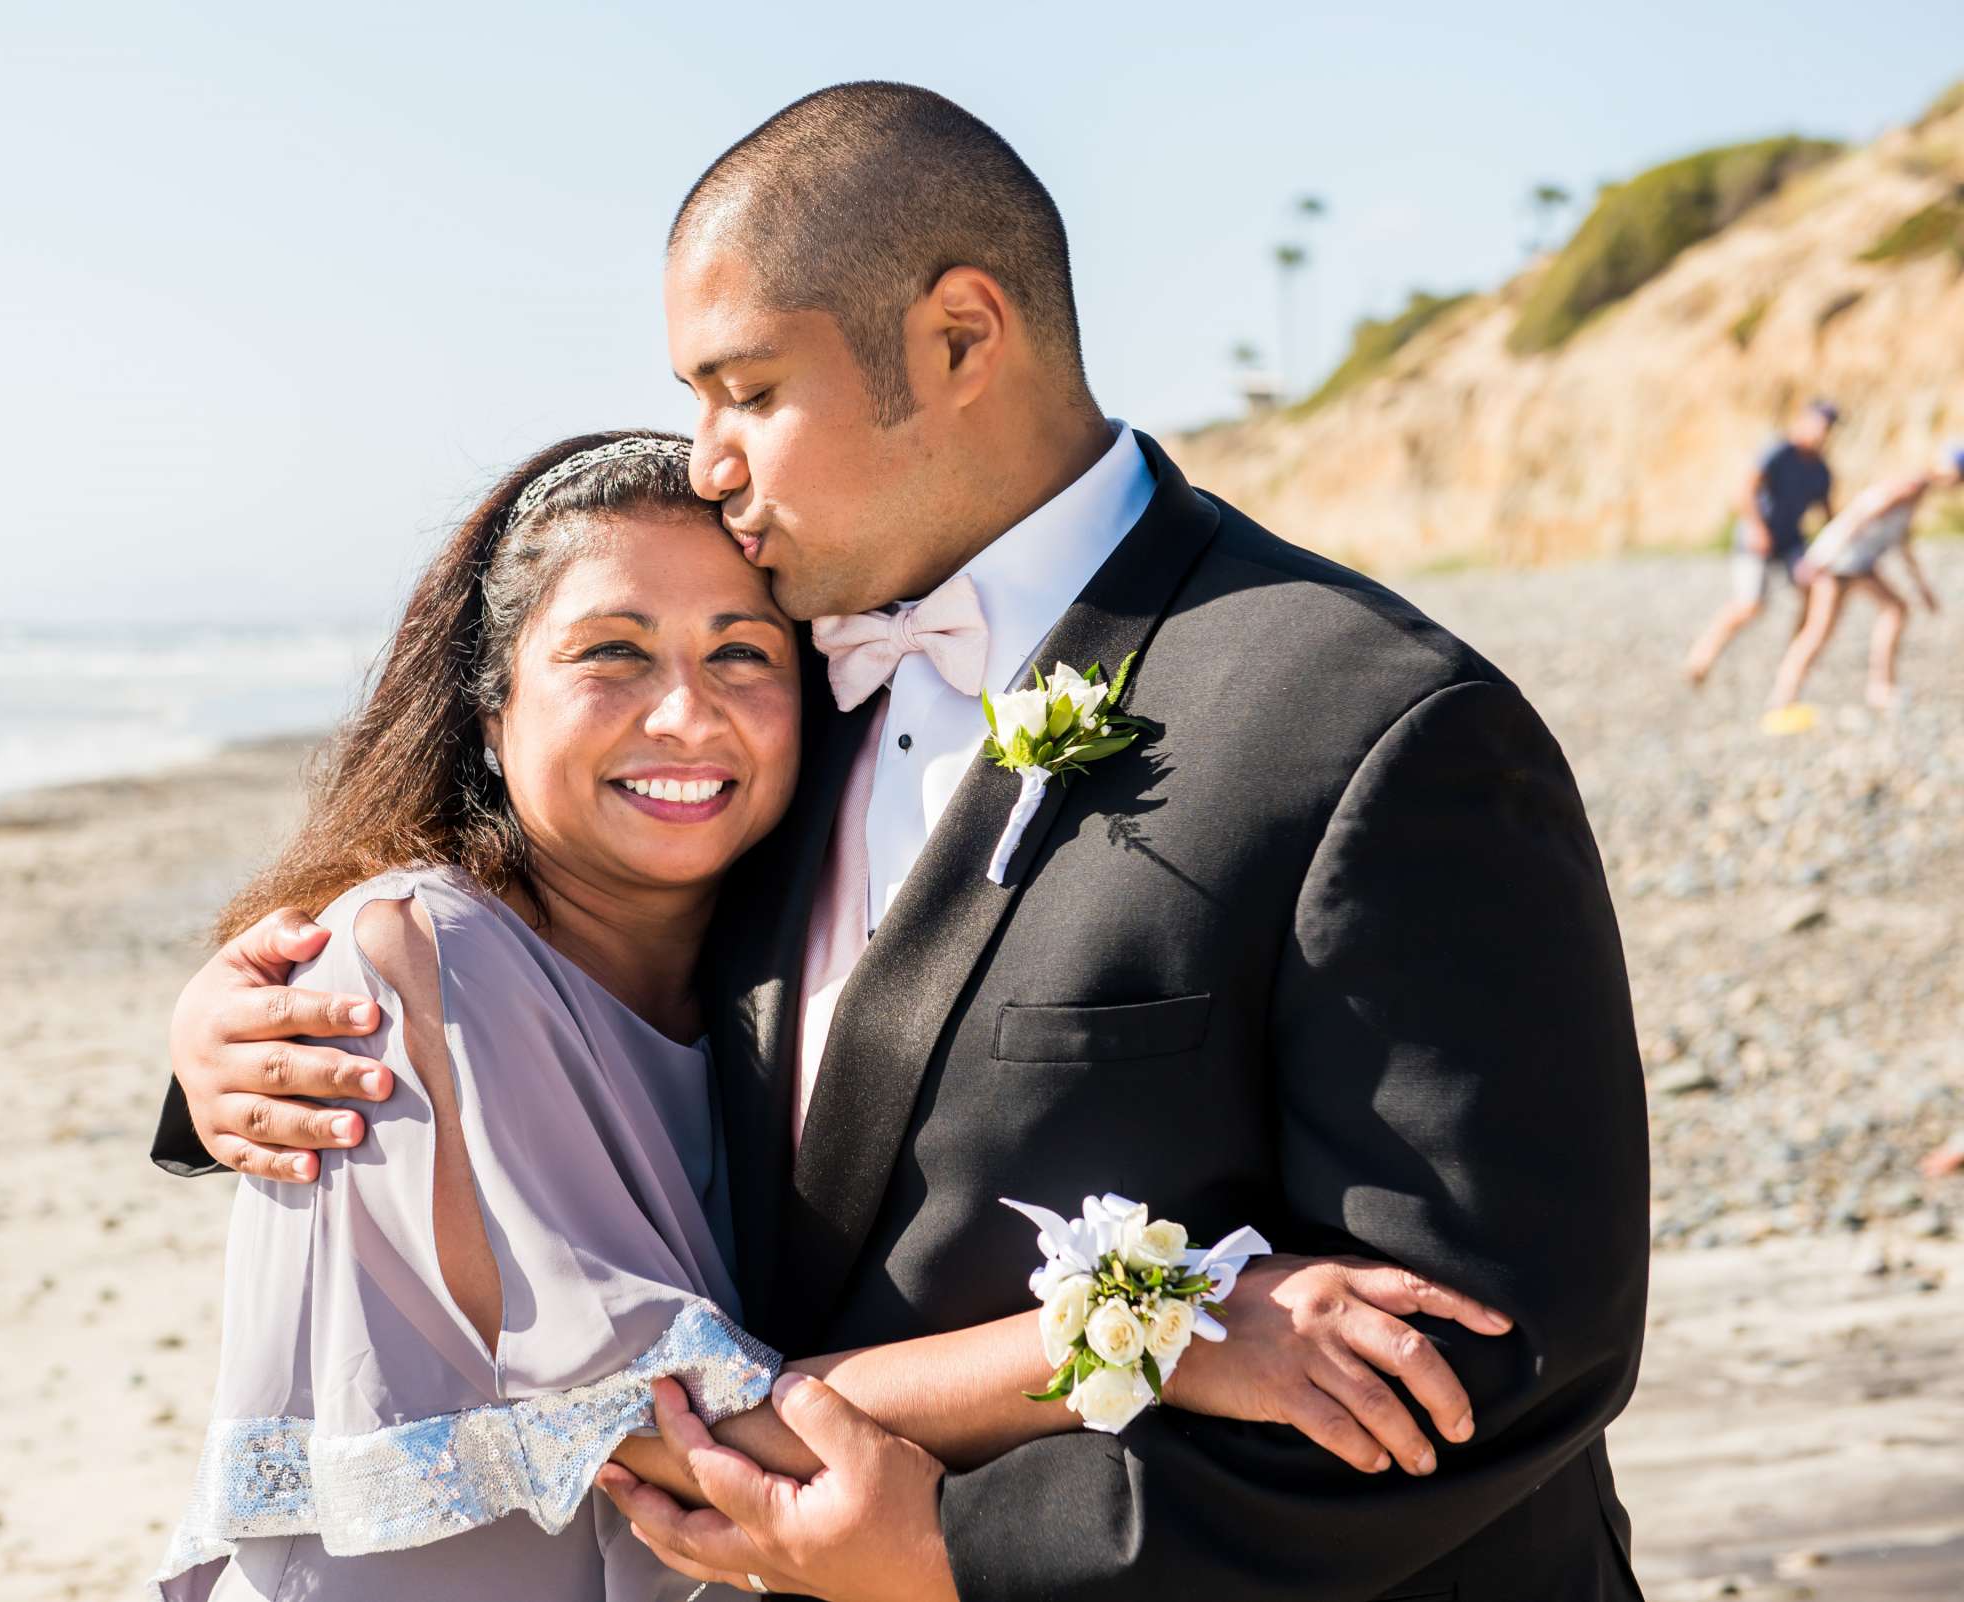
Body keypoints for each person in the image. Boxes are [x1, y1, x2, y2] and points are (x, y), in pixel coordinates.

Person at [155, 84, 1650, 1601]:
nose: (710, 458)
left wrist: (968, 1548)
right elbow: (559, 970)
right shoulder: (770, 693)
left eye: (744, 388)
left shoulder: (1374, 723)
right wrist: (249, 1030)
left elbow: (1489, 1346)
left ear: (958, 335)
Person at [150, 431, 1509, 1602]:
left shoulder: (755, 959)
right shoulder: (415, 956)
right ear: (492, 705)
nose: (686, 714)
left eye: (743, 654)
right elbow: (685, 1429)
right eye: (611, 654)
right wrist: (1177, 1321)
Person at [1762, 446, 1957, 727]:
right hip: (1839, 564)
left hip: (1858, 563)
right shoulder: (1909, 487)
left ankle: (1881, 688)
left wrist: (1922, 587)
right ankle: (1781, 699)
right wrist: (1822, 558)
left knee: (1895, 610)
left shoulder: (1916, 491)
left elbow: (1901, 539)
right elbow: (1860, 515)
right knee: (1818, 631)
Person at [1684, 400, 1840, 686]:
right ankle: (1702, 654)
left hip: (1790, 539)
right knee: (1750, 604)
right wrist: (1756, 528)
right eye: (1818, 424)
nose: (1821, 432)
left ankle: (1795, 655)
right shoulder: (1779, 452)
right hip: (1757, 534)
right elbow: (1746, 489)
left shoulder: (1821, 470)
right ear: (1804, 420)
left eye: (1827, 427)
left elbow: (1829, 516)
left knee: (1817, 586)